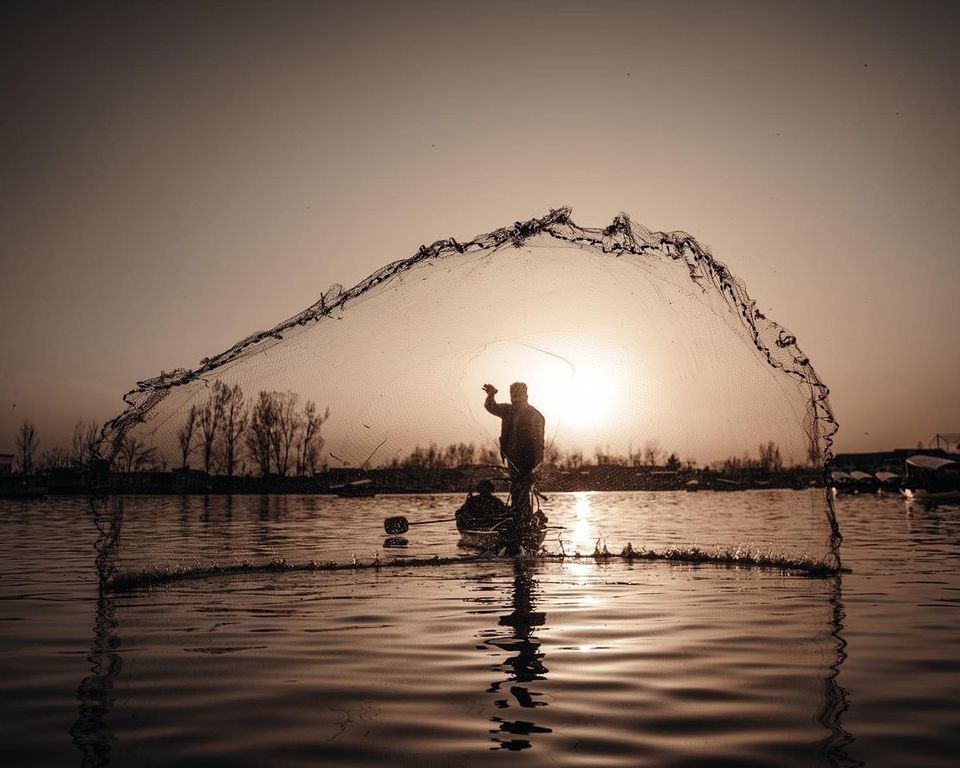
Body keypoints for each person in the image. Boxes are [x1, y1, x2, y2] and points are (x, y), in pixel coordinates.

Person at [482, 382, 546, 553]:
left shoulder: (535, 416)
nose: (515, 399)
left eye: (518, 396)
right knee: (517, 492)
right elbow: (491, 407)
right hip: (512, 460)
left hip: (528, 464)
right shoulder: (507, 411)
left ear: (526, 396)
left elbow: (540, 445)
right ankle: (519, 524)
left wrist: (532, 469)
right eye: (513, 396)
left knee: (523, 492)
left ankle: (523, 526)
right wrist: (491, 395)